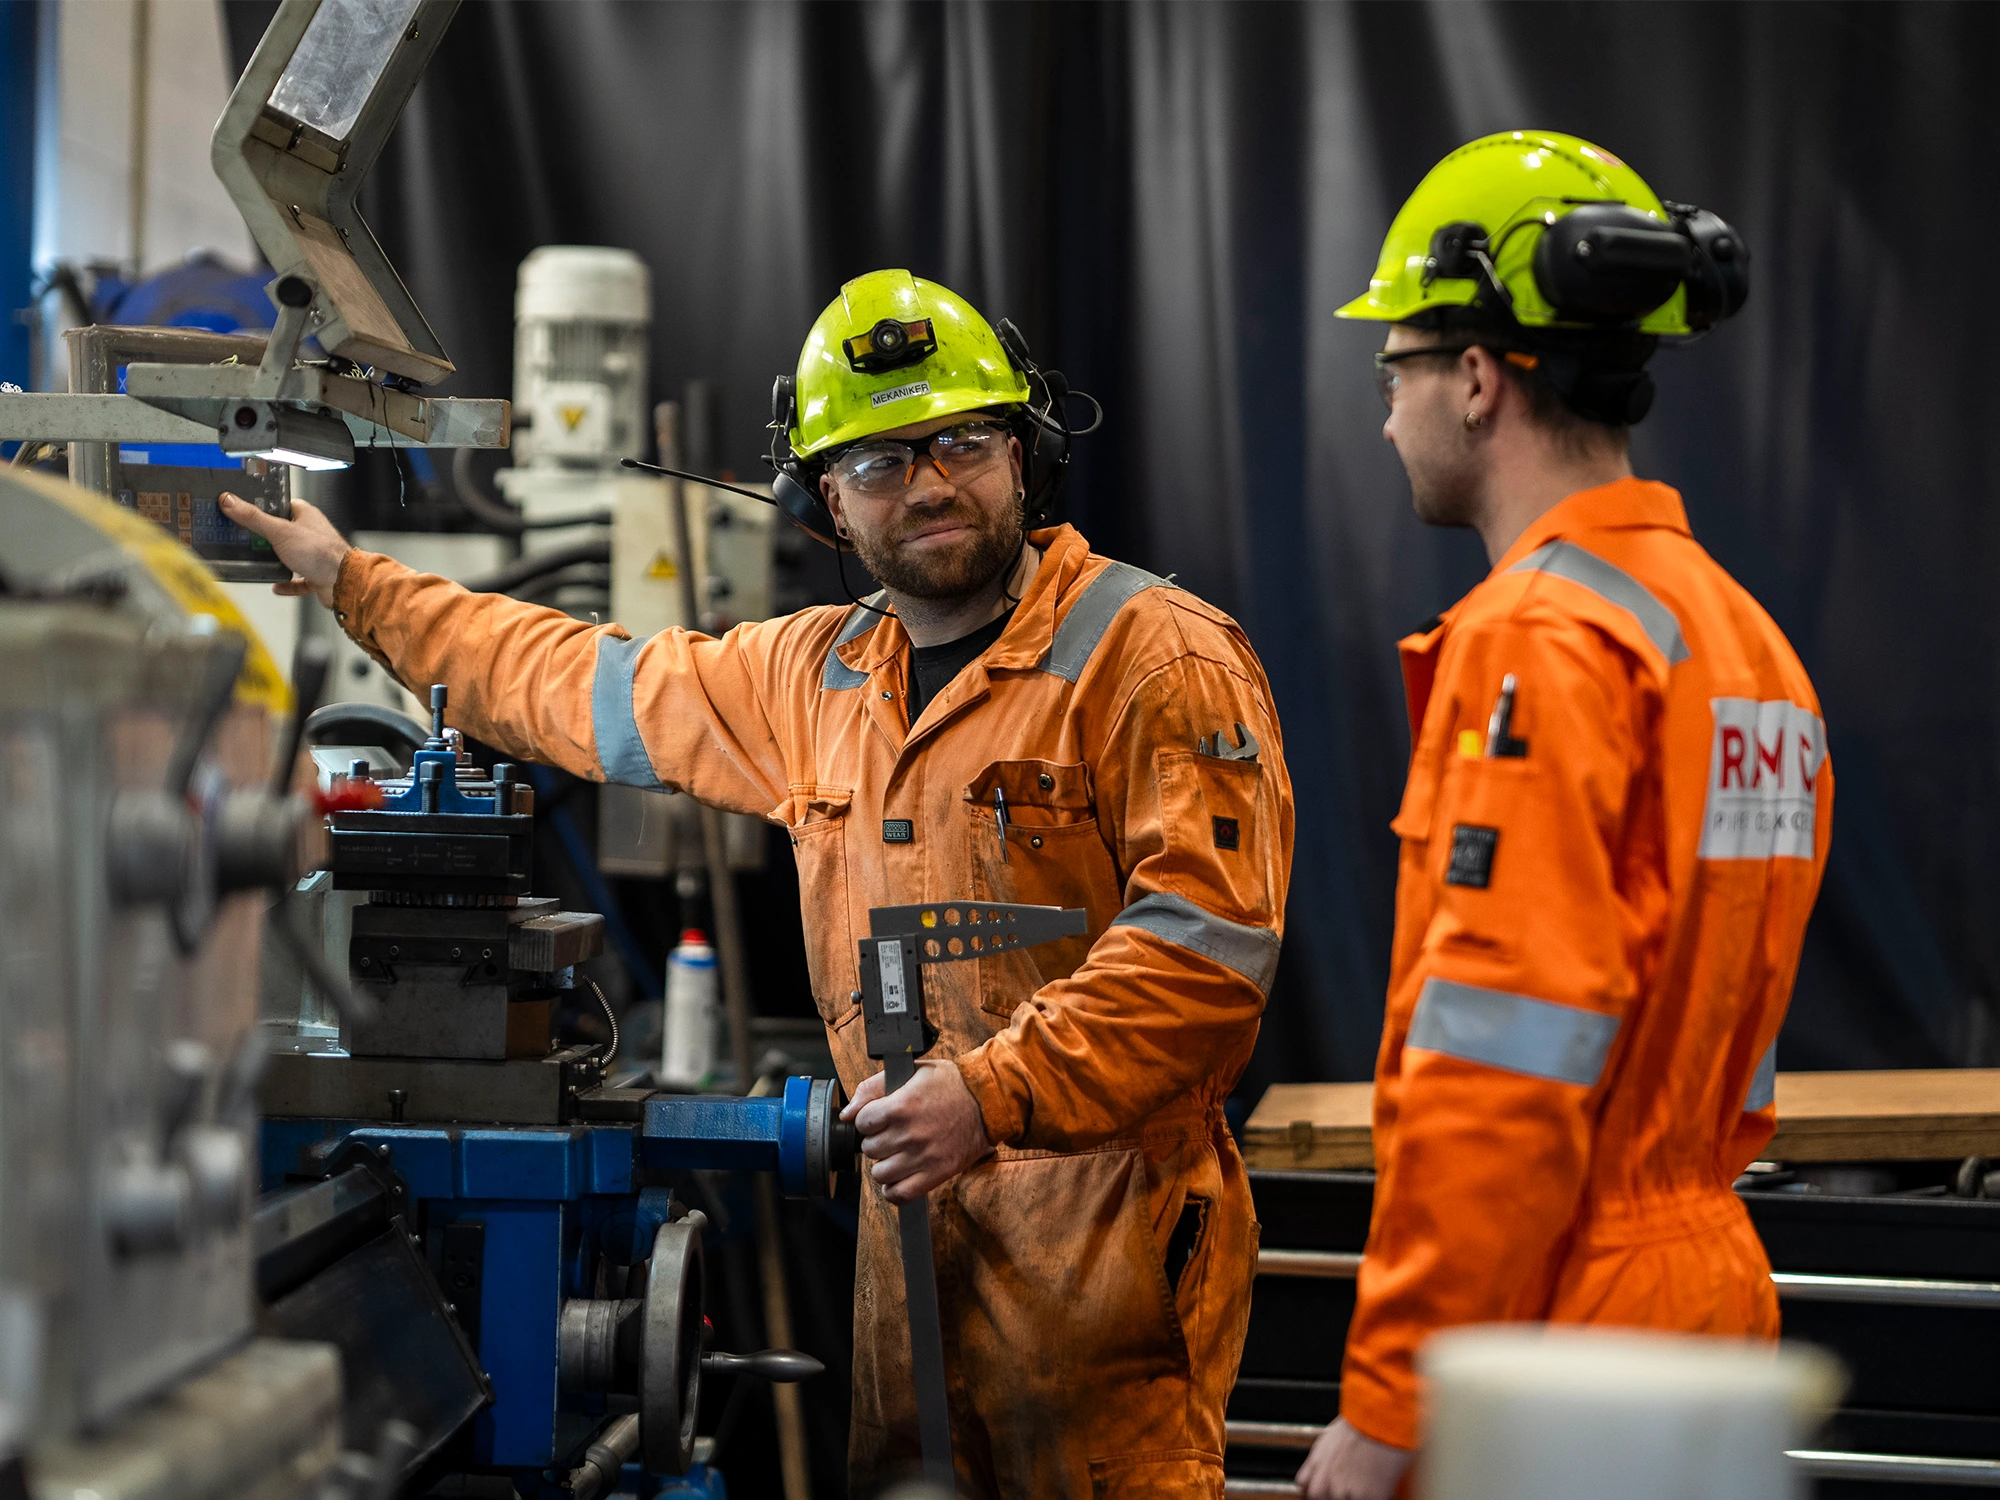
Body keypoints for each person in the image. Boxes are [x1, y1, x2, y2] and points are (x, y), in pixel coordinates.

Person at [225, 268, 1294, 1499]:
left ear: (1025, 448)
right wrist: (354, 582)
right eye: (880, 461)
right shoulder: (814, 678)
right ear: (824, 499)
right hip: (913, 1239)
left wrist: (991, 1095)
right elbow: (572, 680)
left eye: (961, 440)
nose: (931, 483)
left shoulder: (1153, 656)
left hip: (1105, 1242)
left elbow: (1203, 960)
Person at [1293, 133, 1831, 1500]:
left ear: (1477, 378)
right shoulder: (1739, 638)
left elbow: (1502, 1065)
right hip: (1706, 1291)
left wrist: (1394, 1401)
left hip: (1562, 1324)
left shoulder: (1540, 637)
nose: (1386, 414)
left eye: (1394, 369)